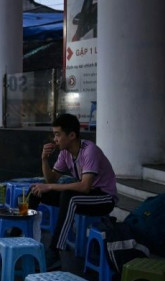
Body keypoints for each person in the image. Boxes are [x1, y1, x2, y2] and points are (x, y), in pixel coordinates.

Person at [29, 113, 117, 270]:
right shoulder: (65, 153)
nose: (55, 139)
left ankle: (54, 252)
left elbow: (84, 187)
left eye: (57, 134)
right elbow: (51, 180)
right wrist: (44, 159)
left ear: (71, 135)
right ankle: (20, 238)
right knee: (36, 190)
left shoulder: (90, 151)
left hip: (104, 198)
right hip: (86, 195)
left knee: (70, 197)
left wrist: (50, 187)